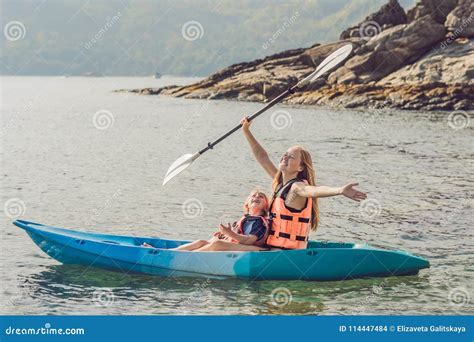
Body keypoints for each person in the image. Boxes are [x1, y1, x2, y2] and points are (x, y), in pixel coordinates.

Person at [240, 117, 367, 249]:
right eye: (285, 154)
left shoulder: (297, 187)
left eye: (291, 156)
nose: (285, 157)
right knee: (218, 241)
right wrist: (246, 131)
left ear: (300, 168)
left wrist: (339, 190)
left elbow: (313, 190)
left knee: (217, 245)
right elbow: (262, 157)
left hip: (284, 253)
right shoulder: (280, 183)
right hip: (273, 248)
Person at [169, 189, 271, 251]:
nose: (256, 197)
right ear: (247, 204)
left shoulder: (259, 222)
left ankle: (186, 257)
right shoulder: (247, 219)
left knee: (217, 244)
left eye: (261, 197)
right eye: (253, 196)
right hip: (239, 245)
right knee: (202, 242)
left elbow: (249, 240)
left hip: (252, 249)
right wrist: (225, 235)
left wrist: (230, 233)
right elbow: (239, 235)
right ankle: (171, 251)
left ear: (266, 205)